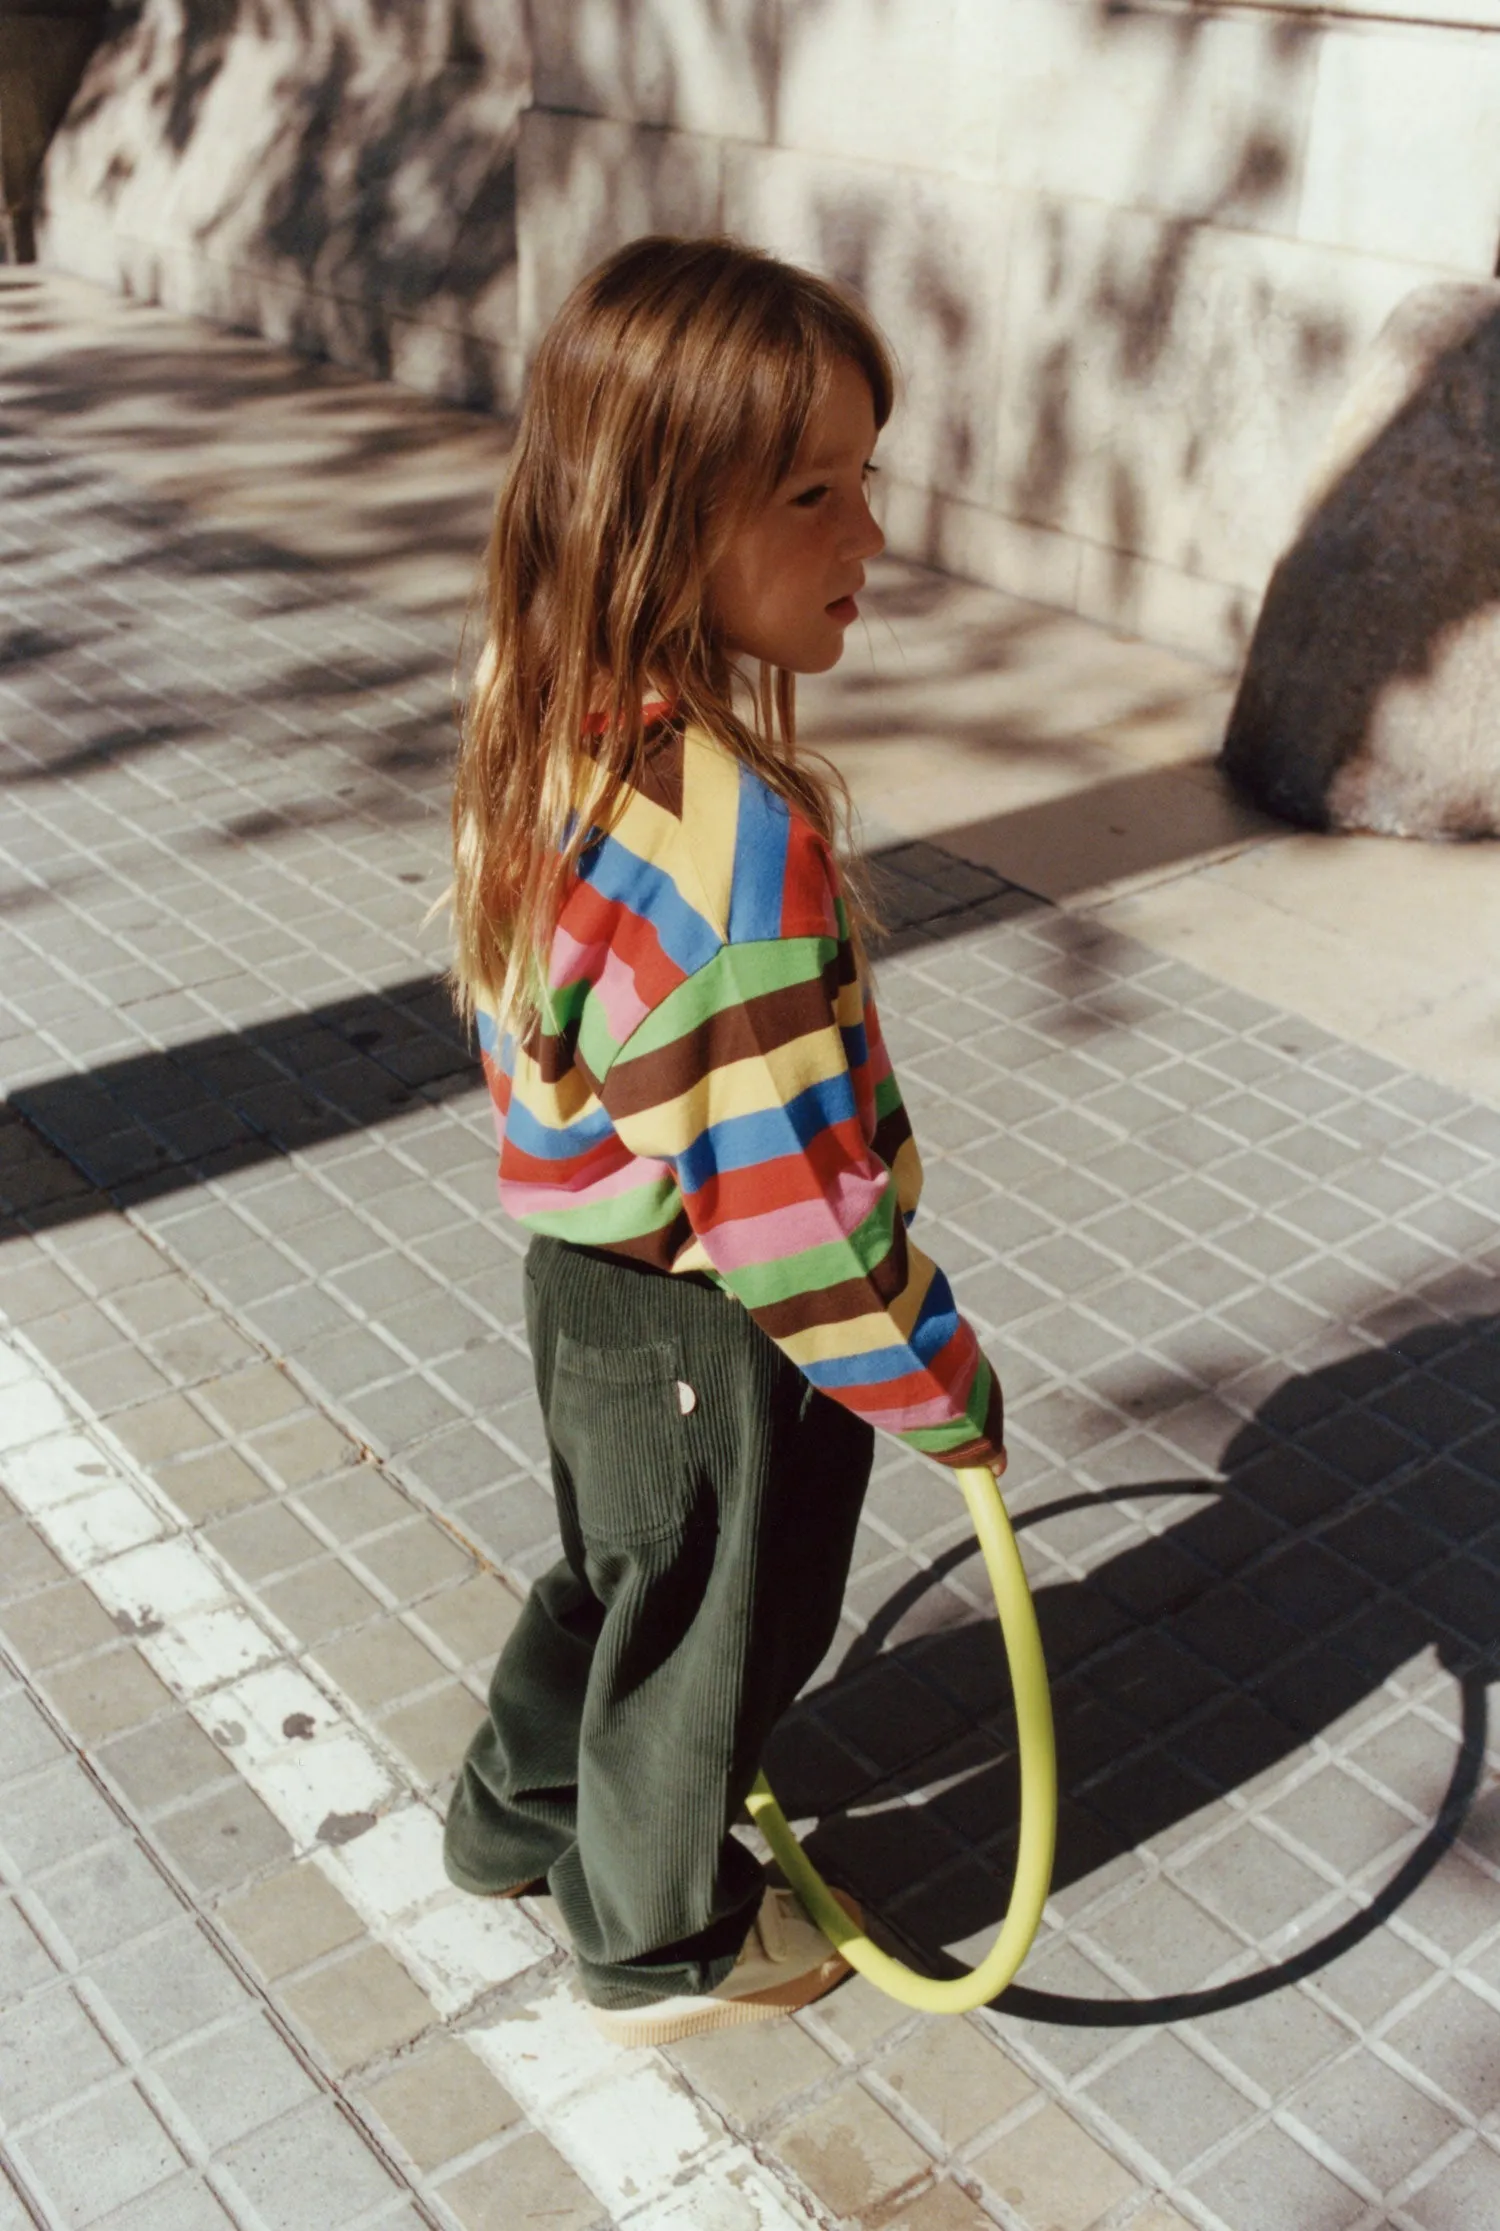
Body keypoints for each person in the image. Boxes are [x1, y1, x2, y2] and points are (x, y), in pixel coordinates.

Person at [442, 235, 1006, 2046]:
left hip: (586, 1289)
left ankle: (517, 1809)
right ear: (672, 522)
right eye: (816, 492)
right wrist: (934, 1375)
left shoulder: (550, 720)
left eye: (868, 478)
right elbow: (784, 1208)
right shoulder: (734, 848)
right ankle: (656, 1932)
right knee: (718, 1634)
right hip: (713, 1323)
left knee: (622, 1577)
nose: (872, 536)